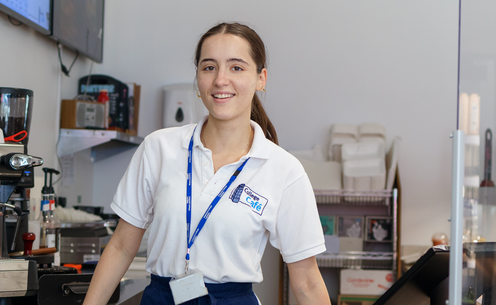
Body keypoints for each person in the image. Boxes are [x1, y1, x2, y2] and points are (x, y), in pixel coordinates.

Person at [83, 22, 330, 305]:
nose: (220, 80)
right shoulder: (159, 148)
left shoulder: (283, 170)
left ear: (261, 78)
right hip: (162, 298)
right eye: (209, 67)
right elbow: (121, 246)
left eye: (236, 67)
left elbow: (307, 281)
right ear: (198, 77)